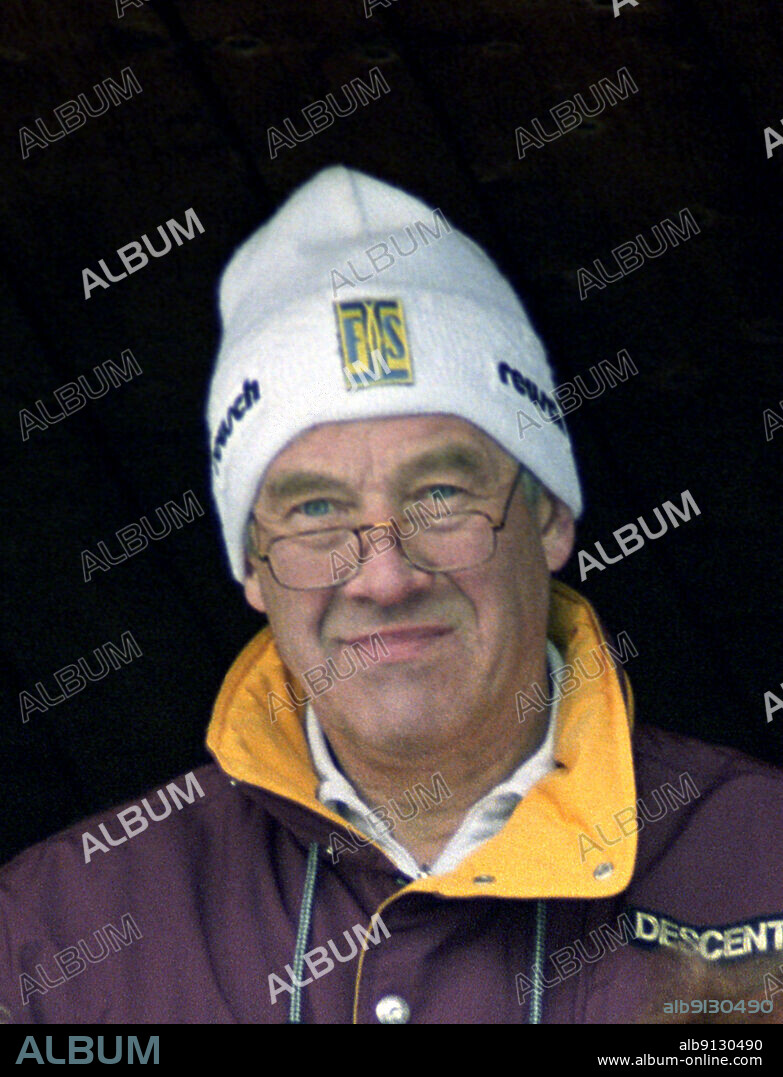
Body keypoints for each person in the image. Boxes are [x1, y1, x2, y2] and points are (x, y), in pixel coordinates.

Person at [1, 166, 782, 1026]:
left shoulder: (762, 867)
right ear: (251, 564)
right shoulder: (50, 939)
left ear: (549, 517)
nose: (384, 574)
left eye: (439, 495)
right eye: (316, 510)